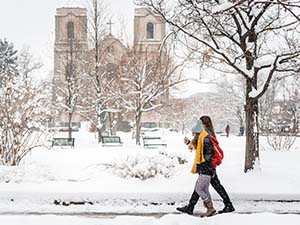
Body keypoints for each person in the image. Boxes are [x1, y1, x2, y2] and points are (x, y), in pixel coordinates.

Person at [177, 116, 235, 215]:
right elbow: (199, 147)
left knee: (200, 187)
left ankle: (192, 207)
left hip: (207, 166)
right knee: (208, 186)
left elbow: (208, 153)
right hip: (207, 166)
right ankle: (226, 204)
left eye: (200, 123)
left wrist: (209, 168)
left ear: (204, 124)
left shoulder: (207, 135)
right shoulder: (202, 134)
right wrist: (188, 143)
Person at [179, 118, 216, 217]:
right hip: (206, 169)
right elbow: (196, 147)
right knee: (205, 189)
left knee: (198, 189)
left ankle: (210, 207)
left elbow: (209, 155)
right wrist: (188, 143)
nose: (193, 135)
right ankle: (210, 208)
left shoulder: (205, 139)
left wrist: (206, 167)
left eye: (194, 133)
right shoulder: (201, 138)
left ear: (198, 132)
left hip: (205, 169)